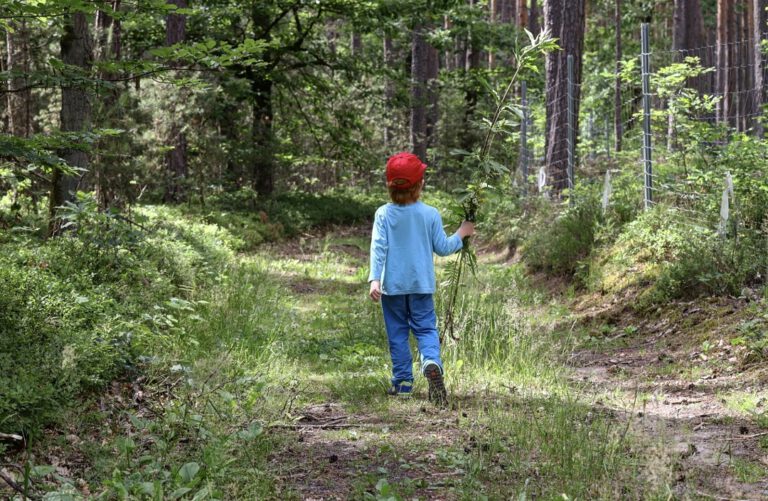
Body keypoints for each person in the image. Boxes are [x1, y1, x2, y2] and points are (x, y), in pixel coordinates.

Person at [368, 152, 475, 406]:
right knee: (426, 328)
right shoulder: (430, 214)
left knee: (397, 333)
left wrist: (375, 279)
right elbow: (444, 247)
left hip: (392, 288)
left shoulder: (383, 214)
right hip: (421, 286)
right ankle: (431, 362)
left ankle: (403, 382)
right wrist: (462, 232)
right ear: (420, 184)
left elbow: (378, 248)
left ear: (389, 185)